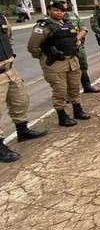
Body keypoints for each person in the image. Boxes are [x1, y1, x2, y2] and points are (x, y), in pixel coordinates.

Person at [27, 2, 91, 127]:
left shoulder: (67, 24)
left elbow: (76, 36)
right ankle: (62, 116)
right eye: (56, 10)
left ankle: (77, 110)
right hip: (55, 64)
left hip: (72, 62)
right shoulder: (43, 26)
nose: (59, 13)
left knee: (74, 88)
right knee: (60, 90)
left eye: (62, 11)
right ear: (49, 10)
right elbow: (32, 47)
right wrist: (43, 56)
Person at [0, 13, 48, 162]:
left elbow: (8, 38)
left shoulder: (2, 17)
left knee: (20, 101)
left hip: (9, 69)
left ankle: (23, 131)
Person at [52, 0, 100, 93]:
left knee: (83, 65)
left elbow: (84, 29)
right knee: (64, 71)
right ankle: (65, 93)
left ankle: (86, 86)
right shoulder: (48, 20)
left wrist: (76, 38)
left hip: (77, 47)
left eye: (63, 3)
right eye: (58, 3)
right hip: (62, 51)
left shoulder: (73, 15)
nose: (61, 5)